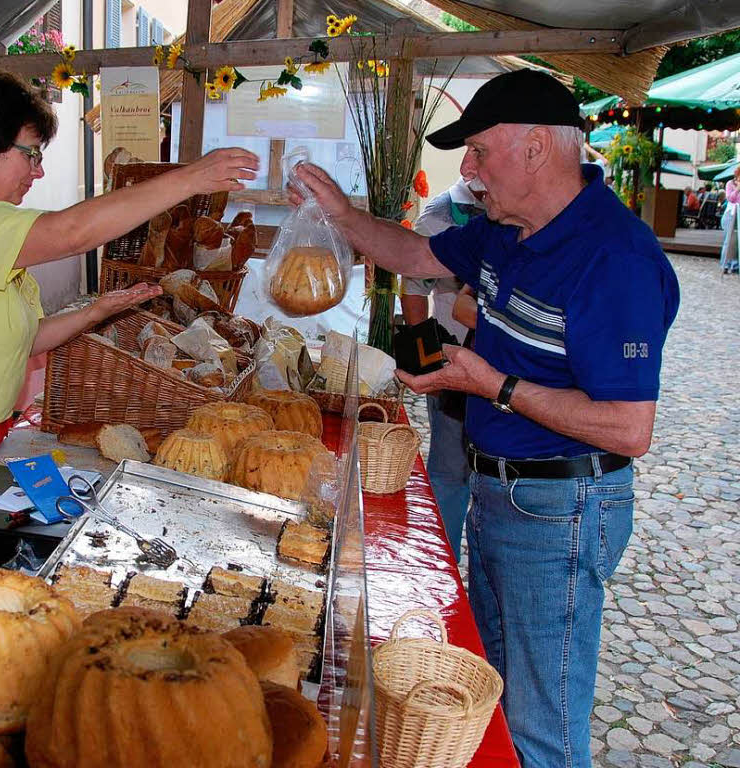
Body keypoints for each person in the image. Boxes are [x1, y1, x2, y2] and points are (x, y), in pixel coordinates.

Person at [289, 69, 679, 768]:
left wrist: (491, 385)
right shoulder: (506, 228)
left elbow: (629, 428)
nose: (467, 169)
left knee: (540, 726)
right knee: (494, 698)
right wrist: (342, 215)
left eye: (479, 151)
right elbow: (413, 253)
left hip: (559, 508)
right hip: (501, 490)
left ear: (535, 148)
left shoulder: (613, 256)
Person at [0, 69, 259, 497]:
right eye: (31, 154)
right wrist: (189, 179)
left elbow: (28, 339)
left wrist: (97, 311)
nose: (37, 172)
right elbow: (73, 232)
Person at [398, 177, 485, 562]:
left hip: (504, 367)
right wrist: (424, 354)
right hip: (454, 358)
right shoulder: (443, 213)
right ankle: (441, 560)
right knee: (450, 469)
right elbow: (414, 284)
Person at [720, 165, 740, 273]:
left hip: (739, 215)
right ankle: (725, 264)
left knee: (738, 241)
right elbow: (731, 199)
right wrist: (737, 189)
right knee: (729, 241)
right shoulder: (730, 184)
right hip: (730, 215)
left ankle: (735, 265)